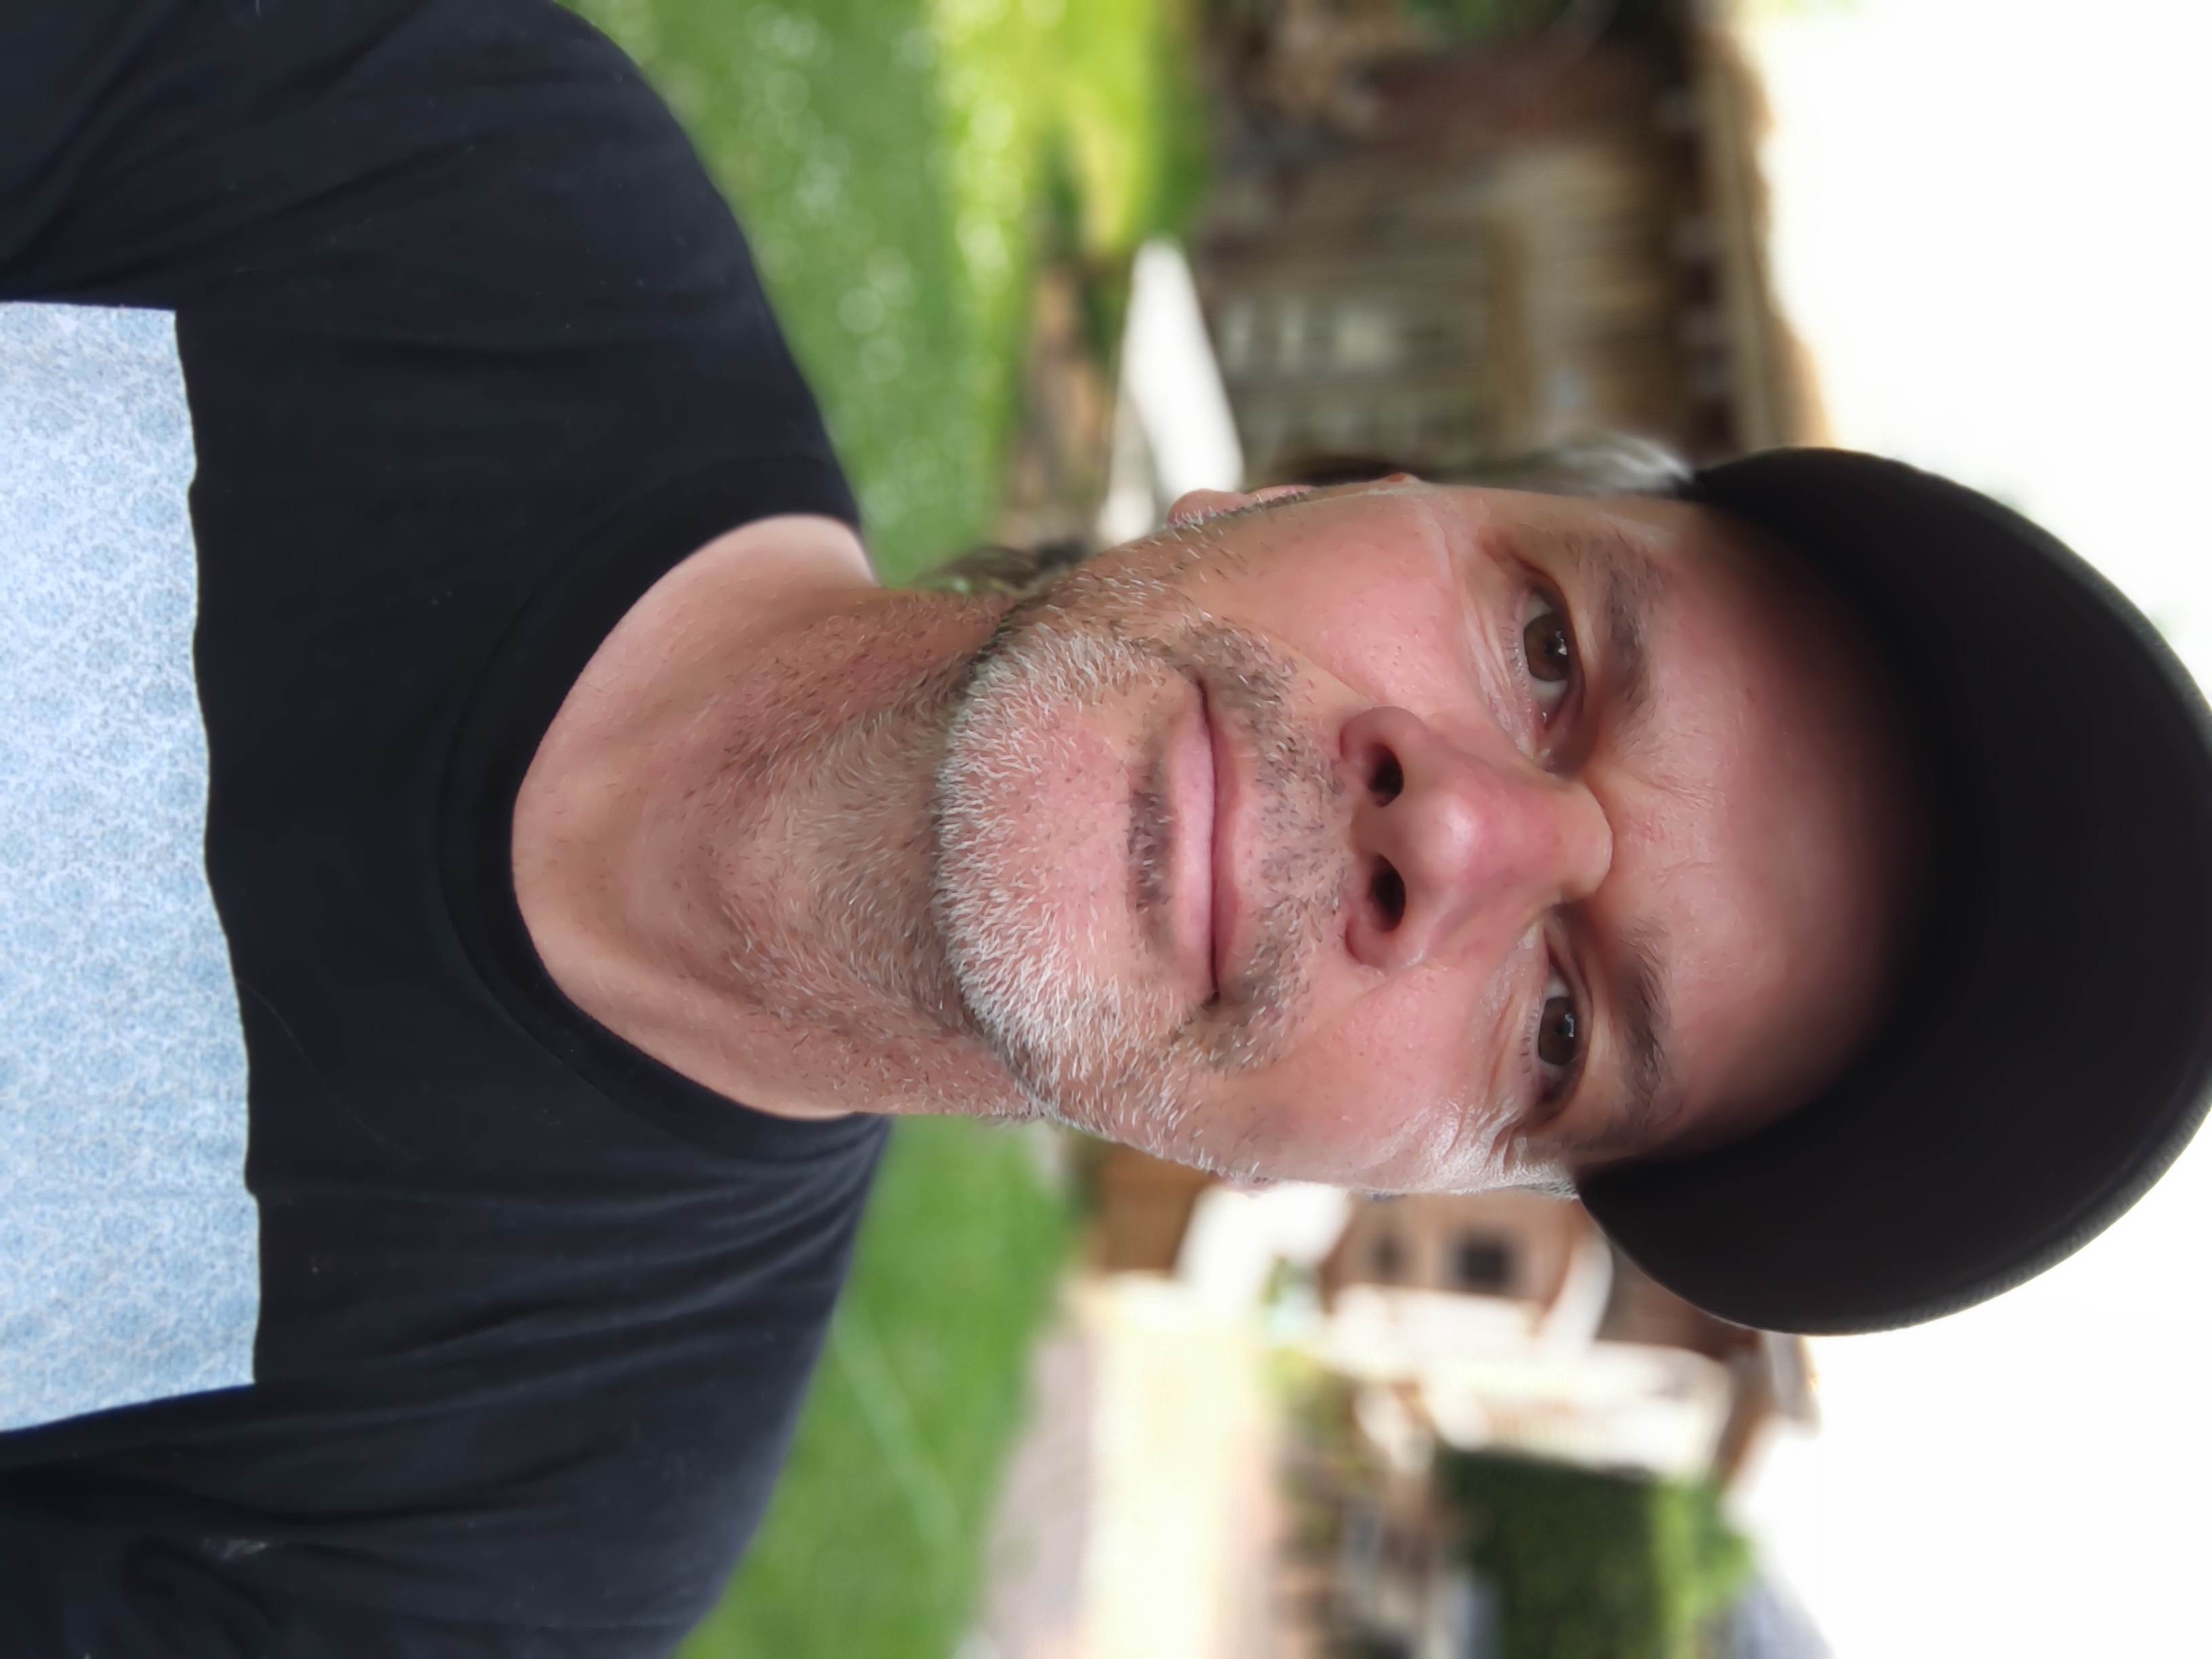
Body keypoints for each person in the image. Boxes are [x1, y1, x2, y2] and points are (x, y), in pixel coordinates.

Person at [4, 0, 2210, 1652]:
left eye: (1561, 1026)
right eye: (1547, 650)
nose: (1461, 843)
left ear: (1362, 1179)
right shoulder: (440, 165)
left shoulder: (503, 1551)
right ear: (1306, 492)